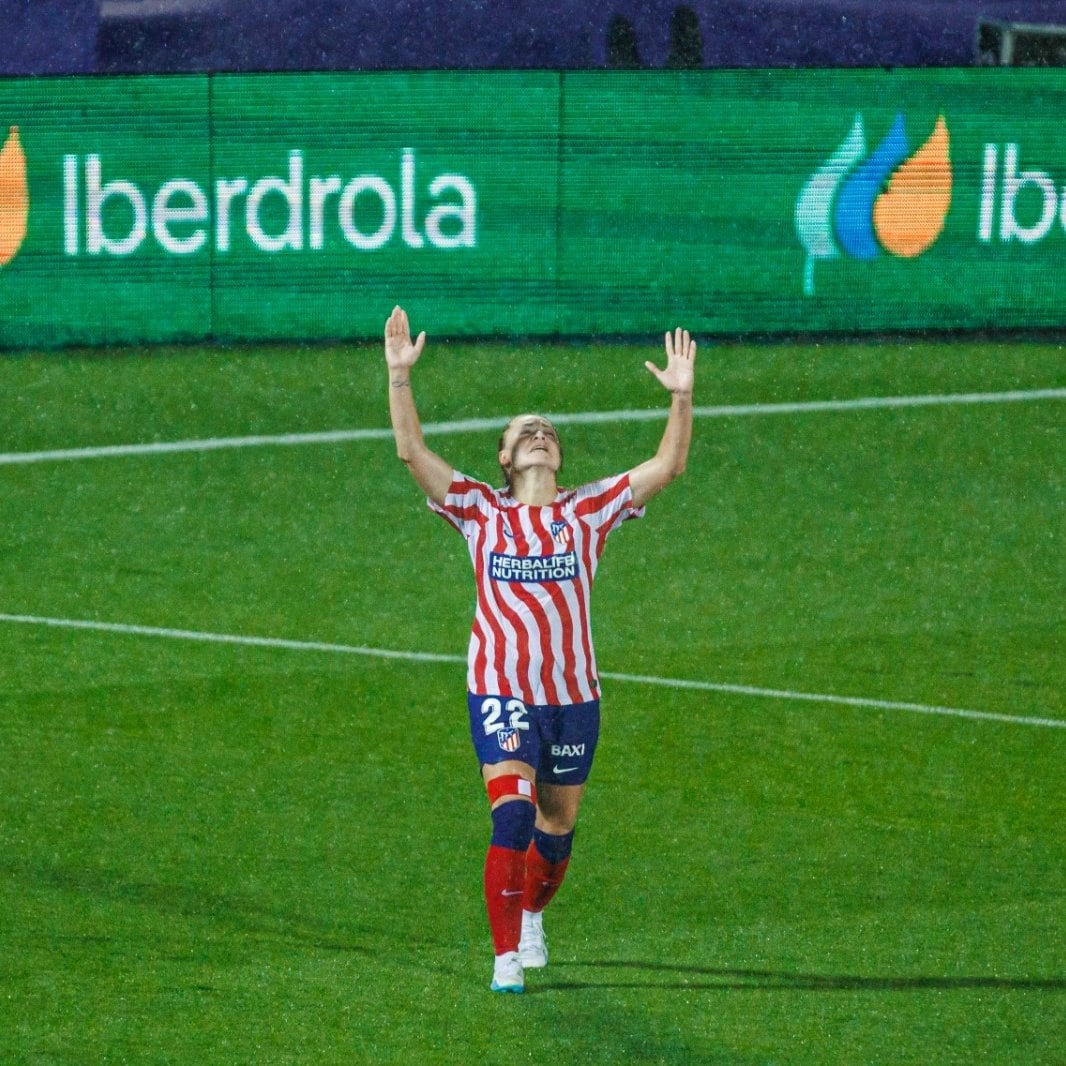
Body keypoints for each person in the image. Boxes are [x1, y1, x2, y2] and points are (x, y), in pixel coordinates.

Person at [384, 305, 696, 993]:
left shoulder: (589, 510)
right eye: (525, 432)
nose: (539, 436)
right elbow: (412, 453)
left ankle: (530, 916)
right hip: (499, 688)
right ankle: (504, 961)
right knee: (515, 811)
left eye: (548, 432)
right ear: (503, 457)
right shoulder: (477, 509)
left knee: (556, 827)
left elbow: (669, 464)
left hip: (573, 697)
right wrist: (399, 377)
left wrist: (680, 395)